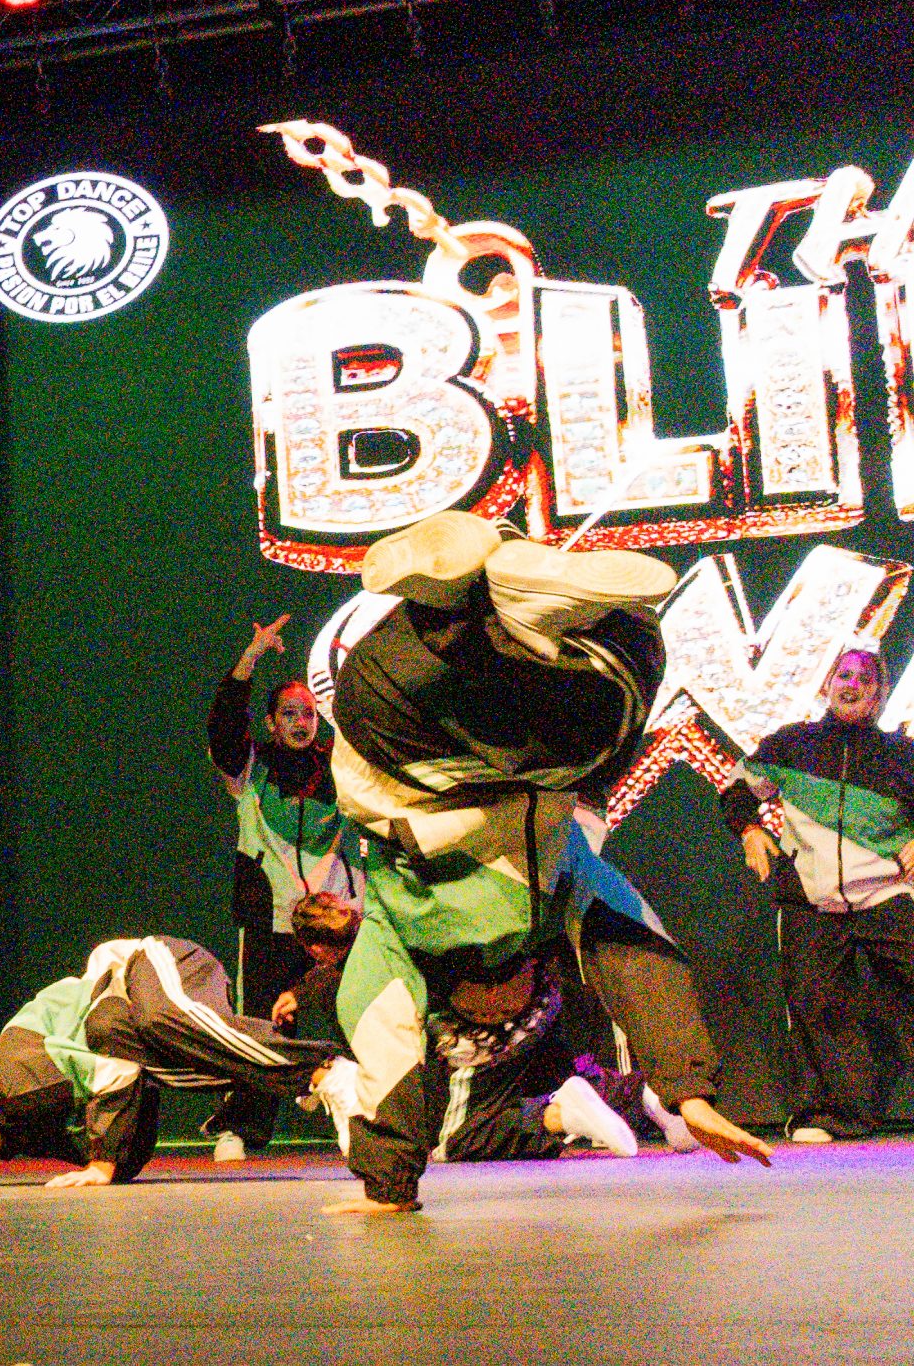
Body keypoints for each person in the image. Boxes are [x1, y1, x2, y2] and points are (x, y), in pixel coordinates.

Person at [320, 510, 770, 1213]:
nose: (501, 1008)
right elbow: (636, 950)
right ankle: (510, 606)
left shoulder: (397, 933)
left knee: (617, 674)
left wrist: (390, 1186)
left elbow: (386, 1048)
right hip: (463, 754)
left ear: (457, 999)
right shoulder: (554, 881)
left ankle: (498, 604)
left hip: (447, 760)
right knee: (615, 667)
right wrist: (688, 1092)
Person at [0, 935, 360, 1186]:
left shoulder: (2, 1086)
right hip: (122, 1014)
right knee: (174, 1062)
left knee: (153, 1025)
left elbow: (111, 1071)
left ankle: (323, 1070)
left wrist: (102, 1162)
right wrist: (111, 1162)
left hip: (145, 965)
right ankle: (331, 1085)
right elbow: (128, 1140)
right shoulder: (16, 1125)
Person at [278, 913, 702, 1162]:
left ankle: (557, 1117)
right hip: (540, 1001)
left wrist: (300, 992)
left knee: (449, 1140)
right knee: (558, 1074)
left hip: (479, 1028)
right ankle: (648, 1096)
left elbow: (352, 975)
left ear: (316, 948)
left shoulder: (389, 920)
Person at [720, 647, 914, 1142]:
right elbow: (737, 786)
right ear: (827, 684)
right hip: (811, 899)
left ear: (880, 693)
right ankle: (833, 1114)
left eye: (865, 679)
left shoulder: (903, 755)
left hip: (887, 894)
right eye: (843, 675)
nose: (852, 685)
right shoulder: (792, 744)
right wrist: (749, 829)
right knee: (817, 1004)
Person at [204, 612, 363, 1159]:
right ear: (271, 722)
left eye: (309, 713)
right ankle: (241, 1127)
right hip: (270, 919)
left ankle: (381, 1118)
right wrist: (248, 660)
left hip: (337, 921)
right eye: (290, 713)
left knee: (364, 1014)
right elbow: (224, 727)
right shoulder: (250, 768)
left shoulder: (339, 766)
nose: (301, 721)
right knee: (261, 1024)